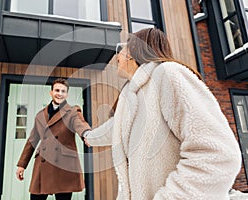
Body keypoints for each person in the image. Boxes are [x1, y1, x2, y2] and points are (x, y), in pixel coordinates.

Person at [83, 28, 242, 199]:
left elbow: (218, 155)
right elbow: (115, 129)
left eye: (120, 50)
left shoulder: (168, 74)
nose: (117, 56)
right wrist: (88, 136)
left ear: (132, 51)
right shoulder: (130, 95)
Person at [16, 78, 91, 200]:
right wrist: (22, 165)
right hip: (42, 163)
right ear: (51, 92)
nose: (59, 94)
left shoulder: (72, 112)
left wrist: (86, 134)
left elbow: (80, 124)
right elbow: (32, 140)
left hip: (63, 165)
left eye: (63, 91)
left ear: (67, 94)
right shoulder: (40, 115)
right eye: (57, 90)